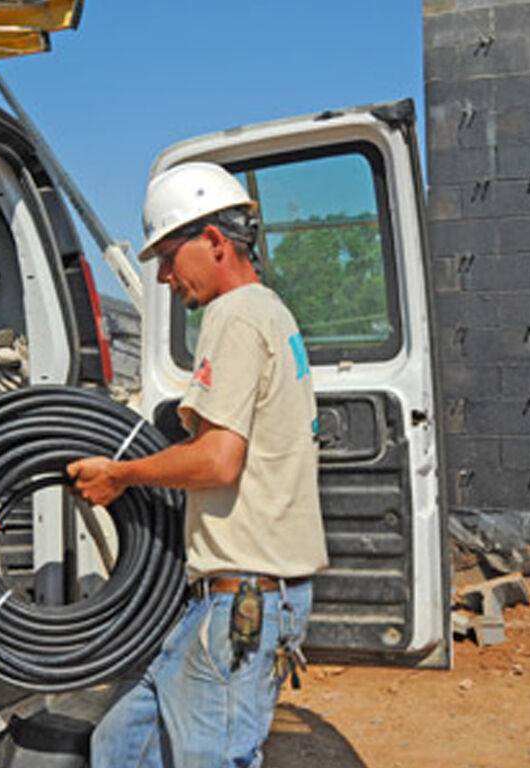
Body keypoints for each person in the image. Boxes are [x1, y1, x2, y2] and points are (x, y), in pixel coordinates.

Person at [67, 161, 328, 768]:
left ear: (213, 242)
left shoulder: (234, 315)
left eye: (166, 257)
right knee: (122, 746)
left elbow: (217, 460)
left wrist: (120, 474)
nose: (161, 277)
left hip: (242, 601)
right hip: (221, 599)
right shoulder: (270, 314)